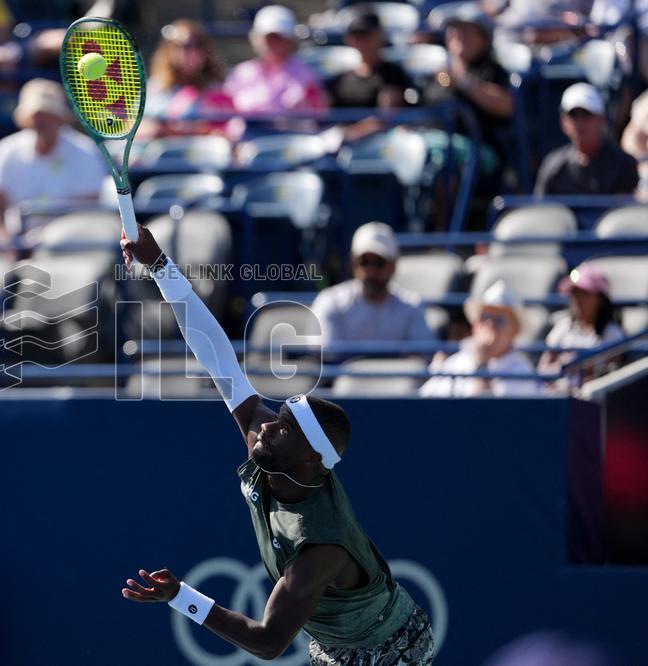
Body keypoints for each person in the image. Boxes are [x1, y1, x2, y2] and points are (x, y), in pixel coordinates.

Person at [119, 224, 435, 664]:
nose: (266, 425)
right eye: (278, 418)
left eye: (284, 427)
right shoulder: (271, 444)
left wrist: (181, 596)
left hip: (389, 650)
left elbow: (269, 641)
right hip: (337, 638)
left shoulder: (319, 546)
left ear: (308, 459)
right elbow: (213, 350)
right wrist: (159, 264)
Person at [0, 79, 106, 247]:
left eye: (47, 115)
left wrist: (47, 238)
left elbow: (88, 212)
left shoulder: (85, 152)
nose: (40, 122)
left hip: (69, 246)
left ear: (59, 118)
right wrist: (4, 241)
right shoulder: (7, 149)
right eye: (35, 116)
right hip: (16, 243)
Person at [312, 222, 434, 354]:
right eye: (364, 262)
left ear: (393, 266)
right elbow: (325, 358)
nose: (371, 271)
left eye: (379, 263)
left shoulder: (412, 306)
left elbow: (424, 357)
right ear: (353, 264)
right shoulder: (330, 301)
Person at [422, 4, 514, 161]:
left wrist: (464, 82)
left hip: (477, 152)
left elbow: (506, 106)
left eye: (467, 31)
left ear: (483, 38)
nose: (459, 36)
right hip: (432, 142)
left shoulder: (491, 70)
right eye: (454, 30)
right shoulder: (438, 72)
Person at [420, 280, 540, 397]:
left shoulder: (522, 373)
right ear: (475, 326)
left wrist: (483, 364)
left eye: (499, 320)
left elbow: (485, 413)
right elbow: (425, 402)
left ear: (515, 331)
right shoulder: (456, 361)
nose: (489, 325)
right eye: (484, 317)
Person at [534, 83, 640, 196]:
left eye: (586, 114)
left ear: (602, 119)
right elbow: (541, 210)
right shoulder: (553, 167)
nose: (580, 123)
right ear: (563, 122)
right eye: (573, 115)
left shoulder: (624, 165)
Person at [224, 5, 325, 117]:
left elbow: (316, 114)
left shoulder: (306, 75)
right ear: (257, 39)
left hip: (289, 133)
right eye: (267, 38)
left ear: (290, 41)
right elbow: (226, 111)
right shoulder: (241, 72)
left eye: (278, 38)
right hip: (247, 133)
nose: (272, 43)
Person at [140, 20, 236, 139]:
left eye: (198, 45)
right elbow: (134, 125)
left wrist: (172, 130)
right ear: (169, 49)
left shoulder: (217, 89)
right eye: (185, 46)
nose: (193, 52)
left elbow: (226, 132)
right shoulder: (154, 88)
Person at [538, 262, 625, 387]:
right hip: (558, 399)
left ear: (600, 300)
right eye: (574, 294)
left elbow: (610, 377)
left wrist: (584, 367)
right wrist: (563, 367)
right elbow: (543, 369)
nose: (578, 300)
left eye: (584, 294)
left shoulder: (612, 333)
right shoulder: (563, 326)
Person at [328, 12, 411, 109]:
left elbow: (389, 116)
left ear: (379, 35)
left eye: (365, 35)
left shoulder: (394, 75)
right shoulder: (340, 79)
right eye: (355, 35)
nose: (360, 41)